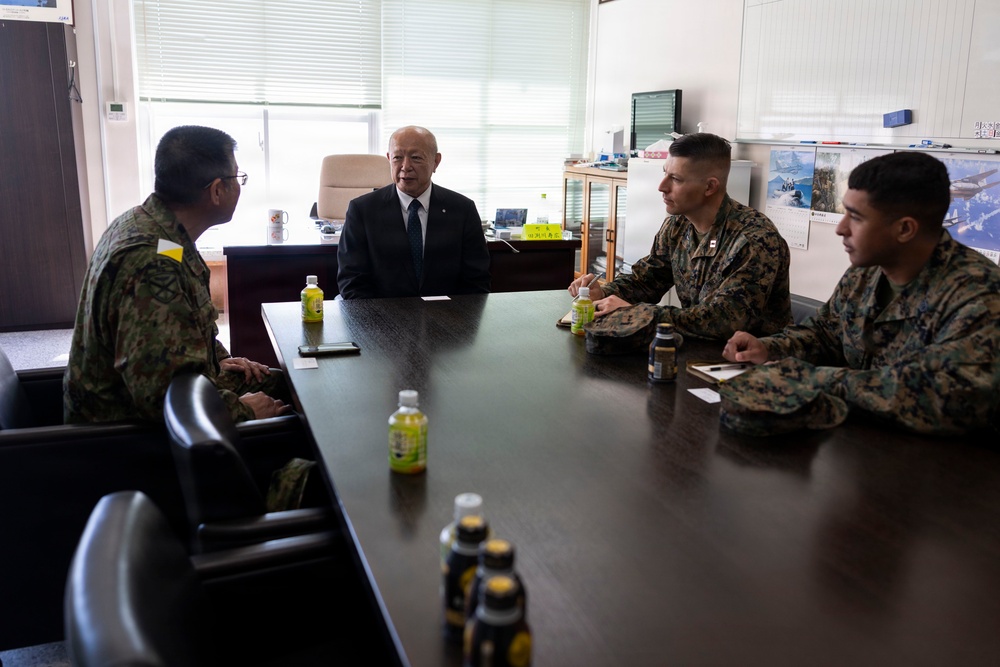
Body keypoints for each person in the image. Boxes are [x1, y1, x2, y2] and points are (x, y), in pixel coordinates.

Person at [723, 151, 1000, 434]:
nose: (841, 229)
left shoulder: (980, 294)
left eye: (855, 218)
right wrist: (769, 347)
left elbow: (946, 397)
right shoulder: (865, 274)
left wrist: (813, 379)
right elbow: (823, 335)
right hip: (860, 448)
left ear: (905, 229)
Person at [64, 125, 292, 424]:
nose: (240, 186)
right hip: (125, 438)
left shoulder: (159, 232)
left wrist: (218, 358)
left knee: (288, 384)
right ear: (217, 190)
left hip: (167, 395)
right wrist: (244, 410)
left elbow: (181, 325)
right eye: (238, 178)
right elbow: (163, 397)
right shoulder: (150, 264)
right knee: (297, 415)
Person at [568, 133, 791, 340]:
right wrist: (605, 291)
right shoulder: (678, 224)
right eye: (665, 173)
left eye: (675, 179)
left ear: (709, 186)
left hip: (752, 363)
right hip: (696, 352)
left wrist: (637, 313)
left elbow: (725, 321)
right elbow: (648, 279)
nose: (661, 186)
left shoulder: (754, 239)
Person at [337, 125, 491, 299]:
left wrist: (454, 320)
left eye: (416, 158)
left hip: (447, 317)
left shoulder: (463, 210)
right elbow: (352, 281)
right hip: (383, 318)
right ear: (388, 159)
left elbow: (477, 281)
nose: (405, 166)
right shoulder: (363, 210)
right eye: (397, 158)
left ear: (436, 161)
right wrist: (379, 322)